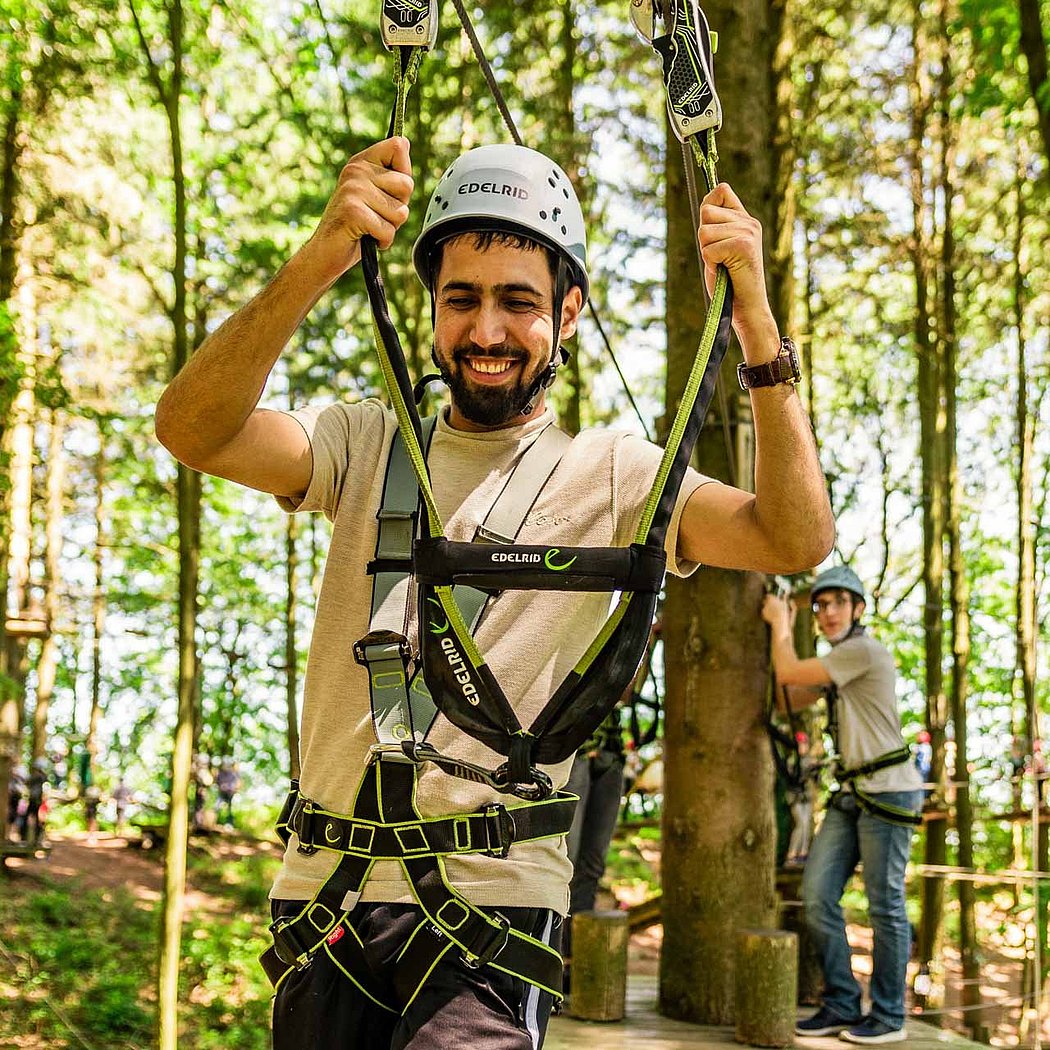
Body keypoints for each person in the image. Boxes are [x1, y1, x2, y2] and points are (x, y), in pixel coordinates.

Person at [155, 135, 833, 1050]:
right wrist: (324, 254)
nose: (484, 334)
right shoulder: (360, 443)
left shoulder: (617, 477)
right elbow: (193, 429)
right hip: (329, 903)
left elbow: (792, 538)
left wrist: (756, 326)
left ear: (569, 312)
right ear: (429, 308)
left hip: (492, 915)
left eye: (519, 303)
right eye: (460, 299)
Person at [762, 566, 922, 1045]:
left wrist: (779, 623)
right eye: (821, 604)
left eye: (837, 603)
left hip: (888, 790)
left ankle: (889, 1015)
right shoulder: (841, 664)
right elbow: (786, 693)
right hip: (853, 793)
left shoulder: (862, 652)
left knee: (885, 905)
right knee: (816, 896)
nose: (828, 612)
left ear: (858, 610)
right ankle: (842, 1003)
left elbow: (789, 671)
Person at [216, 760, 241, 827]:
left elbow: (238, 785)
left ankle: (229, 824)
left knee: (230, 809)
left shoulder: (235, 774)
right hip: (222, 793)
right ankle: (216, 822)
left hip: (230, 794)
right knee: (217, 806)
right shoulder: (222, 774)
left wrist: (233, 790)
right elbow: (218, 782)